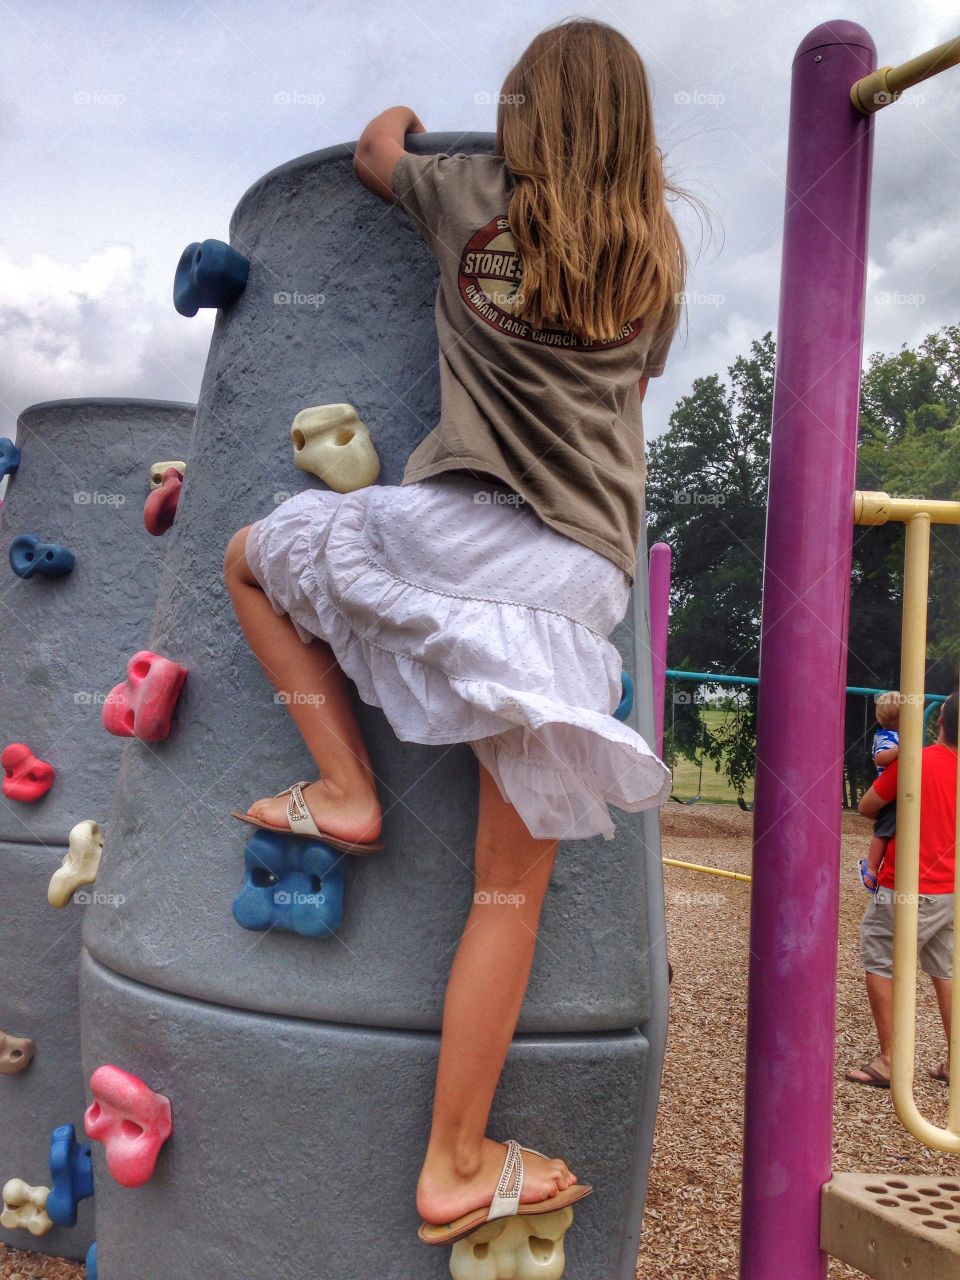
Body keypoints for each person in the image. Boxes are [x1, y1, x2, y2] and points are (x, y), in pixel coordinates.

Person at [223, 18, 692, 1245]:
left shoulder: (472, 193)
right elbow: (634, 392)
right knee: (505, 897)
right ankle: (454, 1158)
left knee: (249, 560)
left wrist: (419, 131)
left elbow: (380, 146)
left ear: (528, 115)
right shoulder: (656, 256)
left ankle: (342, 784)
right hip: (578, 584)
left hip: (464, 531)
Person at [846, 690, 958, 1089]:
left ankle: (892, 1060)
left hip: (906, 888)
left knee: (880, 962)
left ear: (940, 722)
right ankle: (955, 1062)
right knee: (946, 973)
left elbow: (867, 805)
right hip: (950, 891)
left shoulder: (917, 761)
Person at [858, 690, 901, 892]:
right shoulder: (885, 737)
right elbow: (880, 758)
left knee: (891, 830)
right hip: (889, 793)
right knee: (883, 831)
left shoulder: (896, 734)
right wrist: (901, 750)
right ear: (898, 719)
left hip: (897, 791)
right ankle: (872, 868)